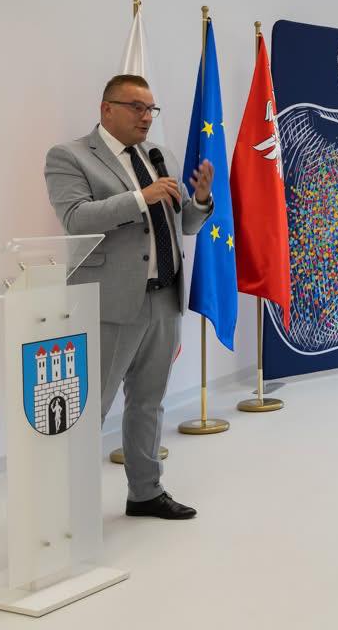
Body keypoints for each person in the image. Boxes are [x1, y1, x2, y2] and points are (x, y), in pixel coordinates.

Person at [44, 74, 213, 520]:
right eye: (137, 107)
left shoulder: (159, 156)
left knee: (148, 402)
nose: (146, 117)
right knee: (91, 408)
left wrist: (199, 200)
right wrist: (141, 197)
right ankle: (70, 510)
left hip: (164, 298)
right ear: (107, 109)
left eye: (151, 109)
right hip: (110, 303)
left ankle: (145, 492)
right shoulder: (70, 156)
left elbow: (183, 225)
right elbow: (76, 218)